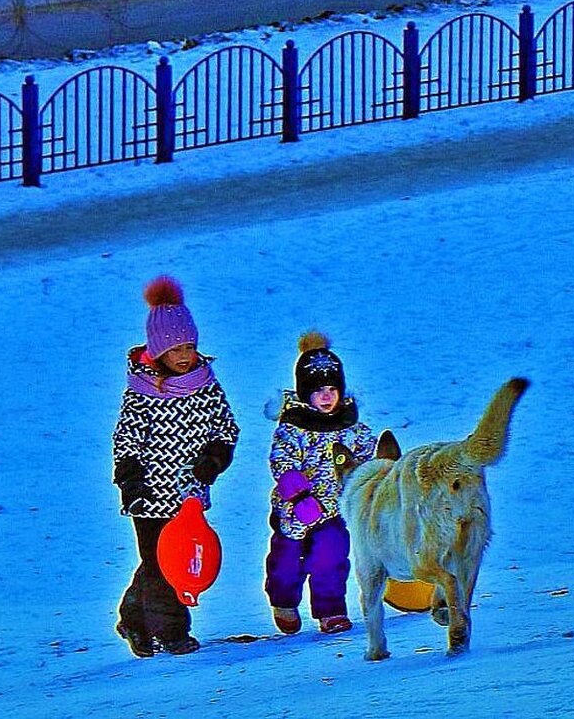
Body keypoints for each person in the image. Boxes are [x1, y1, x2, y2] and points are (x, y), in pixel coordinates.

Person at [112, 275, 239, 658]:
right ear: (158, 351)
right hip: (149, 496)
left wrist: (215, 458)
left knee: (171, 560)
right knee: (158, 564)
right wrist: (131, 480)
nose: (185, 355)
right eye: (176, 348)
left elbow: (226, 426)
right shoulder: (142, 392)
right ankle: (171, 633)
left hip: (188, 495)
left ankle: (133, 616)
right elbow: (126, 439)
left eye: (189, 346)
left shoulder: (206, 384)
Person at [264, 331, 378, 635]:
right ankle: (284, 601)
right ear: (304, 394)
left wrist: (378, 475)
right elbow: (282, 462)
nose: (326, 396)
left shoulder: (352, 429)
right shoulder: (293, 429)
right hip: (295, 512)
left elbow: (370, 457)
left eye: (331, 389)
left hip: (334, 511)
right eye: (318, 391)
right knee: (287, 561)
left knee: (332, 559)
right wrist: (300, 497)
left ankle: (331, 611)